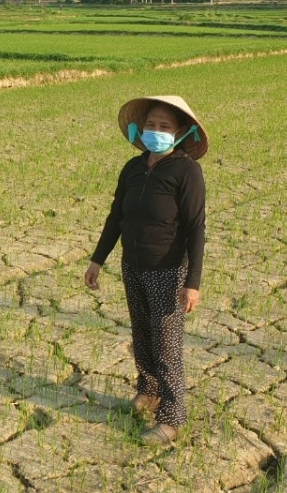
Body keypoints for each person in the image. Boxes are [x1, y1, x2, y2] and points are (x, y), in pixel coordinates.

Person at [83, 95, 208, 446]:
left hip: (168, 271)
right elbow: (116, 218)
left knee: (167, 346)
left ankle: (172, 418)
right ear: (140, 129)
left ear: (181, 132)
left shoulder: (186, 172)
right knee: (142, 336)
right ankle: (148, 392)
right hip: (133, 266)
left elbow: (196, 227)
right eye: (151, 125)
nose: (156, 131)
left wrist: (192, 283)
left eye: (165, 126)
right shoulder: (133, 169)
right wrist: (97, 259)